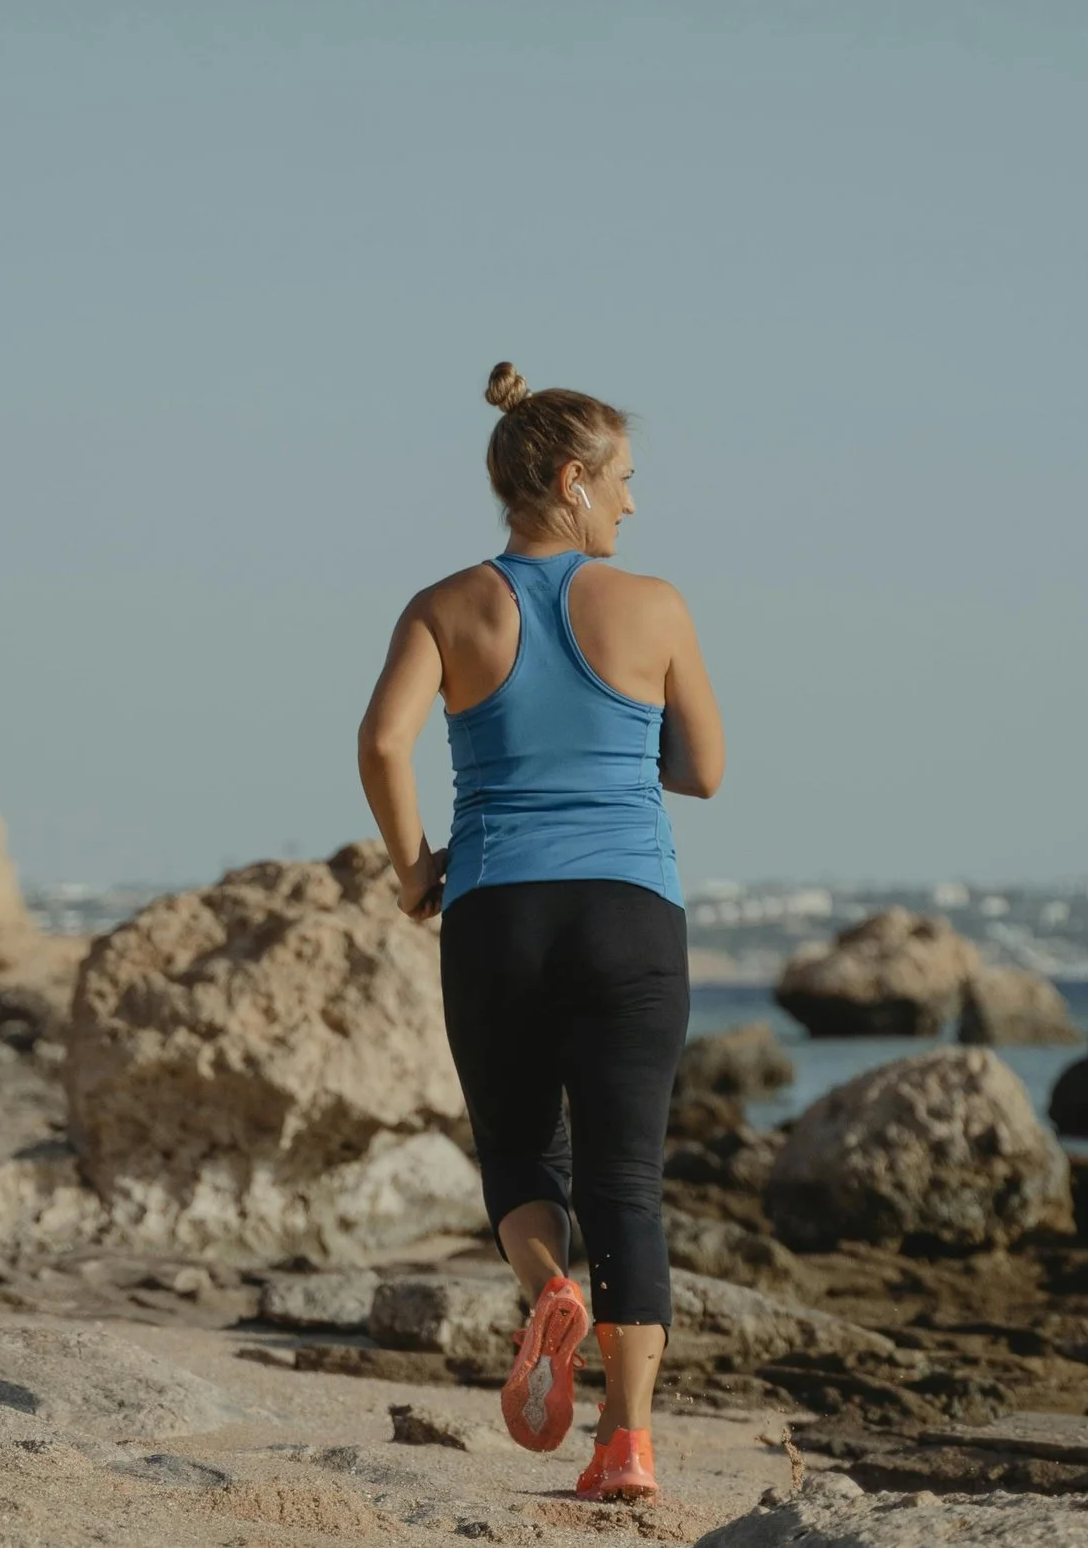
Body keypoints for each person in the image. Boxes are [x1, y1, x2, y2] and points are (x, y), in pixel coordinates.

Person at [357, 362, 724, 1503]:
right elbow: (703, 771)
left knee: (521, 1150)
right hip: (628, 912)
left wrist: (415, 866)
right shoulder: (654, 604)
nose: (631, 503)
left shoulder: (444, 603)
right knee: (626, 1178)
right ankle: (626, 1442)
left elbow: (381, 743)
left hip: (496, 906)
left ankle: (547, 1290)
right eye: (621, 480)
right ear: (570, 480)